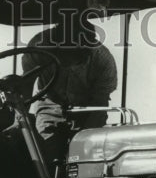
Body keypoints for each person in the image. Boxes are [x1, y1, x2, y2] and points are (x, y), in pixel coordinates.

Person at [22, 10, 118, 151]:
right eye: (64, 57)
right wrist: (19, 120)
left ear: (85, 51)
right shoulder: (39, 47)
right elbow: (26, 83)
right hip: (49, 107)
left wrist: (84, 142)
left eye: (74, 59)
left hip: (89, 110)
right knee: (45, 154)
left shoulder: (103, 60)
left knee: (85, 156)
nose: (68, 64)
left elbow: (100, 101)